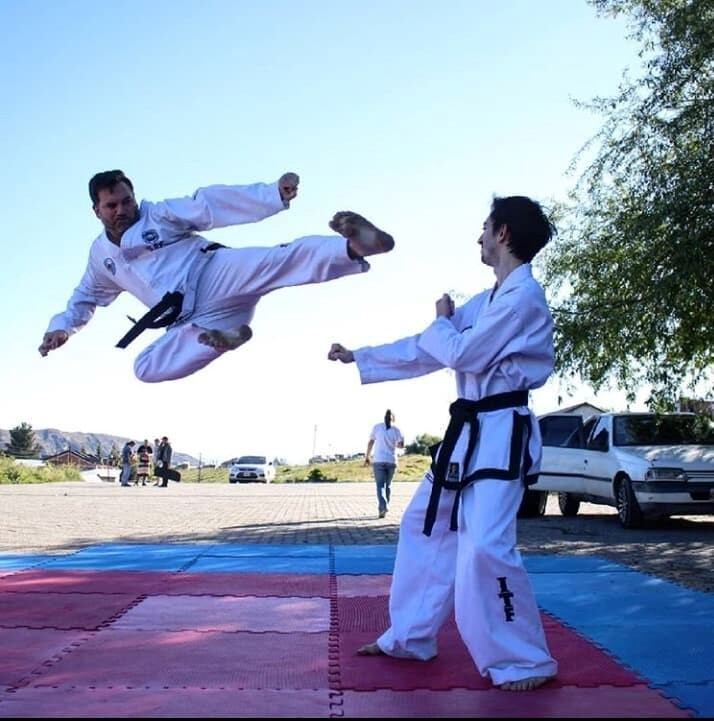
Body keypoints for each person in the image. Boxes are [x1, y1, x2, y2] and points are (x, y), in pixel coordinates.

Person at [327, 196, 558, 692]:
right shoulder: (489, 299)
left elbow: (463, 352)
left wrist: (440, 321)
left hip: (499, 433)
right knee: (422, 526)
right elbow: (428, 350)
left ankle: (522, 661)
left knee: (487, 546)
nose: (478, 237)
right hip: (468, 434)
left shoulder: (522, 299)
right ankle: (411, 636)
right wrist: (362, 356)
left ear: (503, 234)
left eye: (484, 227)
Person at [38, 170, 395, 383]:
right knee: (145, 367)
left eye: (127, 201)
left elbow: (208, 205)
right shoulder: (101, 257)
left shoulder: (159, 214)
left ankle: (357, 246)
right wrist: (62, 328)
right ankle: (226, 340)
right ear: (96, 210)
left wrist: (271, 195)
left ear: (135, 197)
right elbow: (84, 299)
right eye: (112, 206)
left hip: (214, 273)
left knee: (280, 260)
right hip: (199, 320)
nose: (122, 210)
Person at [366, 409, 404, 518]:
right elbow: (401, 445)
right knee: (388, 485)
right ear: (393, 418)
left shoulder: (377, 427)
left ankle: (383, 507)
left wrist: (367, 456)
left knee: (380, 486)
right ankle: (384, 508)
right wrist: (395, 443)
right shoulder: (396, 430)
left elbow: (371, 442)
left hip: (379, 460)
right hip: (391, 461)